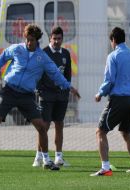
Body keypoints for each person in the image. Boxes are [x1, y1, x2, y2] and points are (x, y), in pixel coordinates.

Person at [0, 24, 79, 171]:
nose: (28, 43)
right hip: (9, 90)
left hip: (26, 96)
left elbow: (55, 74)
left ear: (37, 40)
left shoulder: (43, 58)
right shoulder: (16, 49)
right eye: (27, 39)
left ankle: (46, 160)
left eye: (32, 40)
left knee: (41, 127)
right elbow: (2, 59)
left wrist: (68, 86)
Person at [90, 27, 130, 176]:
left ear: (113, 40)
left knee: (101, 131)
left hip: (119, 99)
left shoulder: (113, 56)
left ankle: (105, 167)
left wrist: (100, 93)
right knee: (125, 132)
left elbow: (110, 80)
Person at [32, 26, 80, 167]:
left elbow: (67, 75)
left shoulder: (65, 53)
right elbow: (38, 73)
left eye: (59, 39)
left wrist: (66, 90)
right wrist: (40, 90)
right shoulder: (43, 53)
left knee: (59, 124)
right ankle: (39, 156)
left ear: (62, 39)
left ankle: (59, 156)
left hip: (61, 96)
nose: (57, 41)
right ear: (50, 39)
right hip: (46, 95)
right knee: (44, 126)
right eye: (54, 39)